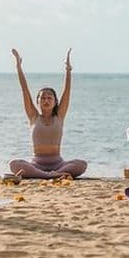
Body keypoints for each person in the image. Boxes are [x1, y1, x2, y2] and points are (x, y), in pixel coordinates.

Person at [8, 48, 87, 179]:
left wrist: (68, 70)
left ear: (55, 101)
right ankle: (50, 176)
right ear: (37, 101)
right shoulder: (33, 116)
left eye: (49, 98)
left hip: (58, 164)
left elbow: (67, 91)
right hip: (36, 164)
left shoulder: (59, 116)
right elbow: (25, 90)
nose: (46, 100)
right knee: (14, 164)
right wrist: (18, 66)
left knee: (81, 164)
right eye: (42, 98)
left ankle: (48, 175)